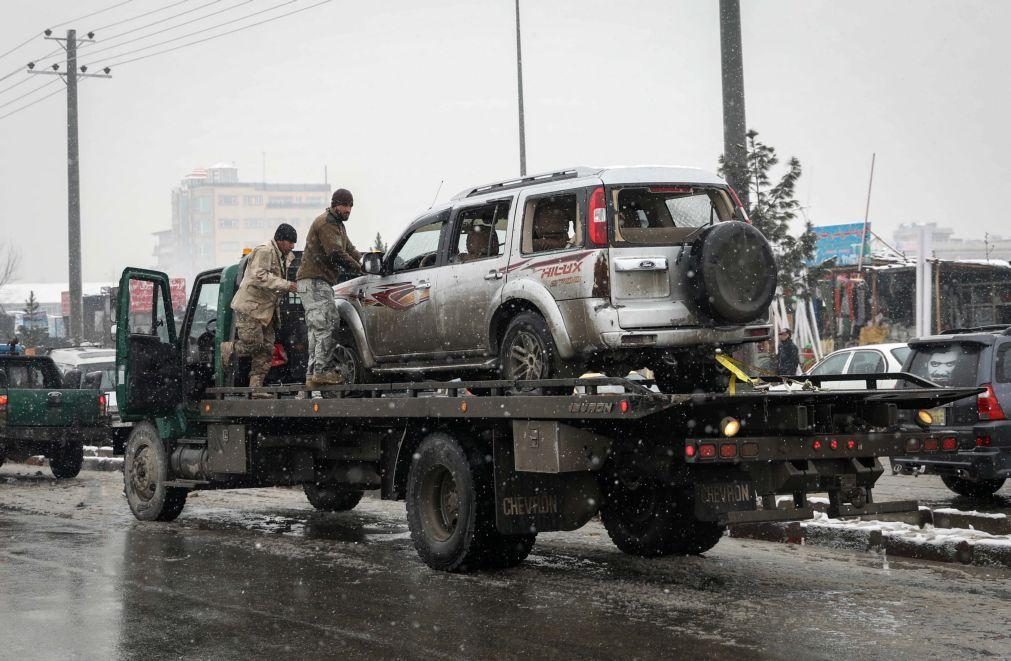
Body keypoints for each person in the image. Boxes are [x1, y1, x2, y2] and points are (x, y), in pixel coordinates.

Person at [222, 223, 298, 398]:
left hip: (267, 310)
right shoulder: (265, 251)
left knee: (267, 349)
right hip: (251, 307)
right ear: (280, 240)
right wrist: (287, 285)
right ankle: (230, 349)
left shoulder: (285, 256)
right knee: (253, 344)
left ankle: (256, 388)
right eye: (290, 242)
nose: (292, 246)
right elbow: (259, 276)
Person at [296, 188, 362, 387]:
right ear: (336, 205)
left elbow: (349, 249)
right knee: (327, 324)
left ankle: (313, 374)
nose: (349, 210)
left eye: (351, 206)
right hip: (315, 281)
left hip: (318, 282)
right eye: (346, 205)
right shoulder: (327, 223)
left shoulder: (338, 226)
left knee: (318, 329)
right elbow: (336, 253)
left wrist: (367, 261)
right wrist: (359, 268)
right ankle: (321, 372)